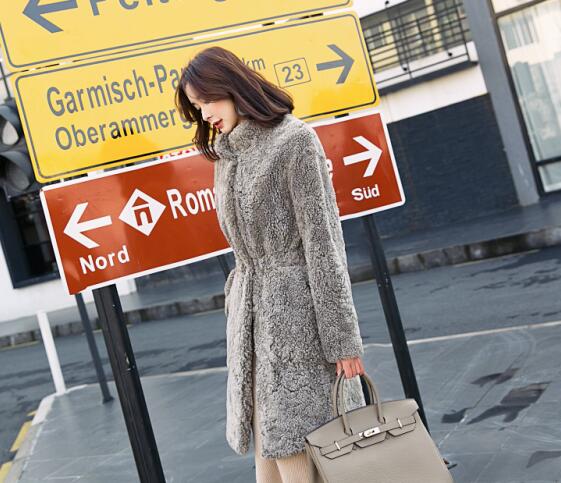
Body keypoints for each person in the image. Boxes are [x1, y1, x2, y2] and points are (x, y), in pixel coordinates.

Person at [175, 46, 367, 482]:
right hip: (251, 326)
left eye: (208, 100)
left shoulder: (294, 141)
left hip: (299, 324)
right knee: (270, 457)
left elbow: (324, 245)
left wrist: (343, 341)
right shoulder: (227, 155)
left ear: (232, 87)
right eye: (197, 107)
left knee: (302, 455)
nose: (205, 114)